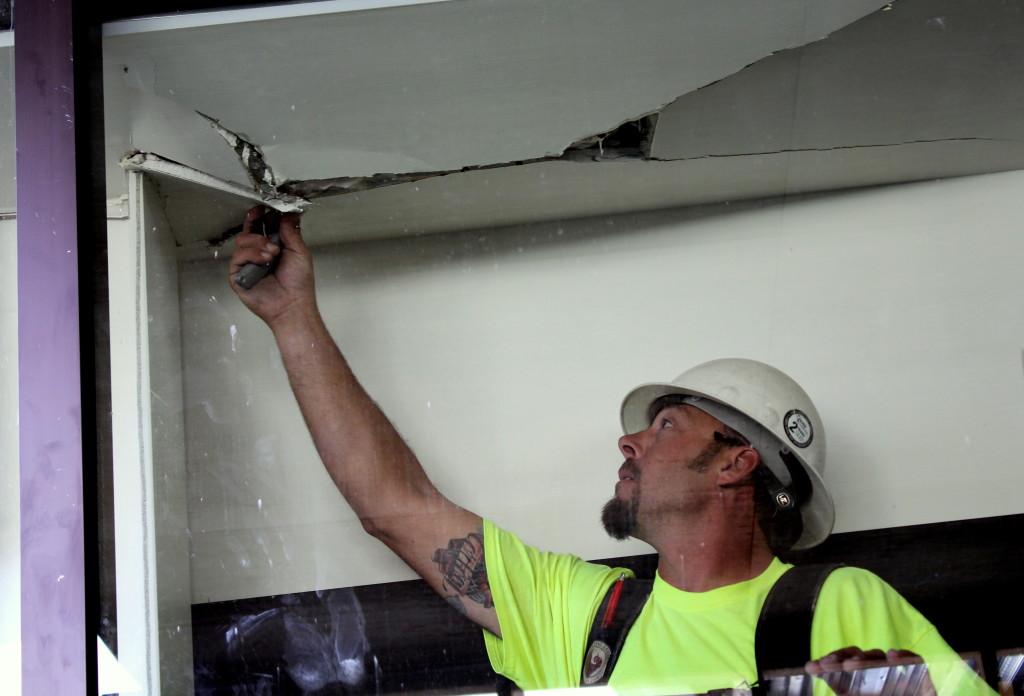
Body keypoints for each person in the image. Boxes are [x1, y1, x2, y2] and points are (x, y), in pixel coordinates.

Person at [228, 208, 994, 695]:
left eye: (665, 425)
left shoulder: (830, 606)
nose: (627, 439)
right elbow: (395, 508)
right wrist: (294, 319)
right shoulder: (589, 617)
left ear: (737, 462)